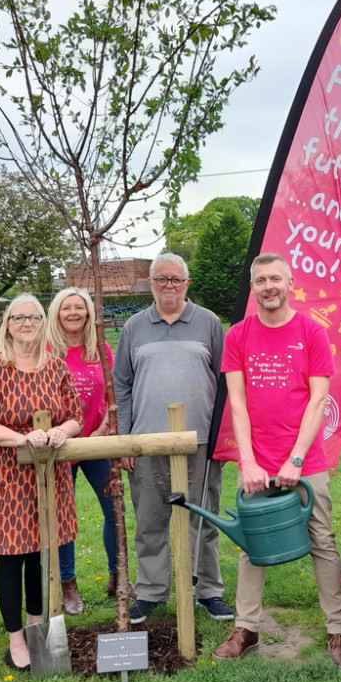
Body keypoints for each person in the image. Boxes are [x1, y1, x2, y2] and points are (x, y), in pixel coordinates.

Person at [213, 252, 341, 669]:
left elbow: (318, 399)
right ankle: (247, 627)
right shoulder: (238, 335)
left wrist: (295, 459)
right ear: (253, 287)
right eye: (261, 281)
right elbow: (236, 404)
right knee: (249, 542)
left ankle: (337, 630)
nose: (269, 286)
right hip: (258, 461)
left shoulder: (311, 331)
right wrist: (249, 461)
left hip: (305, 461)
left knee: (323, 541)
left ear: (290, 283)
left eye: (276, 279)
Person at [0, 294, 82, 672]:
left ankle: (35, 628)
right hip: (4, 474)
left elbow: (75, 415)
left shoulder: (56, 367)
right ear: (7, 324)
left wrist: (62, 431)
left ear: (42, 323)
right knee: (11, 554)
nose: (27, 323)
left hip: (47, 474)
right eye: (19, 318)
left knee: (40, 552)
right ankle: (15, 639)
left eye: (34, 317)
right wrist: (22, 439)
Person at [113, 253, 230, 624]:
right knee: (150, 519)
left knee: (203, 517)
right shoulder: (134, 327)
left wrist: (220, 438)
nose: (169, 286)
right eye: (161, 280)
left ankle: (207, 589)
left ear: (186, 283)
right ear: (150, 284)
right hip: (147, 442)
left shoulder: (209, 323)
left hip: (200, 442)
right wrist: (126, 440)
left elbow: (225, 381)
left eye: (176, 280)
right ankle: (151, 591)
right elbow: (122, 385)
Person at [46, 287, 118, 614]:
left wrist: (103, 430)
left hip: (96, 440)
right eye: (66, 308)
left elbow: (110, 392)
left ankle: (119, 575)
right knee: (63, 515)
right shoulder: (46, 351)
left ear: (89, 312)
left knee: (114, 508)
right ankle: (68, 583)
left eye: (80, 308)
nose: (73, 313)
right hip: (60, 445)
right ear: (57, 313)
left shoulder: (100, 349)